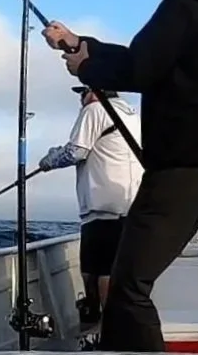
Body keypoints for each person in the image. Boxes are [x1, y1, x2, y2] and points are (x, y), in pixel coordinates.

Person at [41, 0, 198, 352]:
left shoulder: (180, 7)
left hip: (179, 170)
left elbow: (140, 69)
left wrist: (87, 66)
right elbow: (148, 57)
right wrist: (81, 44)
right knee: (130, 284)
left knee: (128, 287)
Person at [37, 85, 142, 340]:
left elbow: (76, 151)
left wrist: (49, 160)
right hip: (129, 207)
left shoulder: (95, 110)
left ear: (94, 92)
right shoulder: (133, 117)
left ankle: (108, 329)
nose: (80, 100)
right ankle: (103, 322)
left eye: (82, 93)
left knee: (102, 271)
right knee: (95, 271)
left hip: (104, 208)